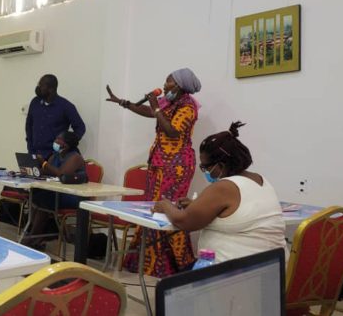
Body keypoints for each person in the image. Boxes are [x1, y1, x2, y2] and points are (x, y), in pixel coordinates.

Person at [106, 67, 201, 277]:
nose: (164, 85)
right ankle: (146, 262)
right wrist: (123, 102)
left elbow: (172, 131)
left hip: (177, 167)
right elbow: (149, 112)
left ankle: (174, 264)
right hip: (159, 163)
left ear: (180, 85)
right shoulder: (170, 103)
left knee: (167, 210)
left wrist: (156, 107)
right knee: (152, 209)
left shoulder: (188, 107)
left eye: (168, 81)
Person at [152, 122, 287, 264]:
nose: (205, 172)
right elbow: (238, 212)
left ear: (221, 165)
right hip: (272, 267)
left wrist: (166, 206)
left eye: (205, 167)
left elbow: (184, 221)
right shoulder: (260, 179)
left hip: (239, 271)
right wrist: (197, 205)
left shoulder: (225, 187)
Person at [22, 131, 87, 249]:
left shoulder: (75, 157)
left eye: (58, 139)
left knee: (44, 199)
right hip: (57, 192)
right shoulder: (56, 155)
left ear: (66, 144)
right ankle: (35, 236)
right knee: (35, 194)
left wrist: (44, 163)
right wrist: (31, 170)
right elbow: (47, 171)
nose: (55, 141)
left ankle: (33, 236)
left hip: (72, 195)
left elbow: (61, 174)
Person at [26, 74, 86, 157]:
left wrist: (67, 145)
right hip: (35, 153)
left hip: (55, 156)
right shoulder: (35, 102)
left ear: (51, 89)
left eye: (41, 85)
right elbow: (29, 126)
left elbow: (80, 127)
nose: (38, 88)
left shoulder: (66, 106)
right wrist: (30, 147)